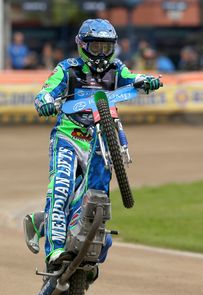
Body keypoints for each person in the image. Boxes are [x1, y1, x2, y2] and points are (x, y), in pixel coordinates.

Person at [24, 19, 161, 270]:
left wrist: (148, 81)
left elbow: (134, 78)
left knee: (97, 202)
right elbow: (46, 91)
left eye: (106, 47)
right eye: (95, 47)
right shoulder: (68, 69)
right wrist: (43, 100)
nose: (101, 53)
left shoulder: (116, 69)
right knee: (61, 189)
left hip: (101, 141)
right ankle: (54, 250)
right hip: (68, 137)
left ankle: (87, 253)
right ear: (82, 45)